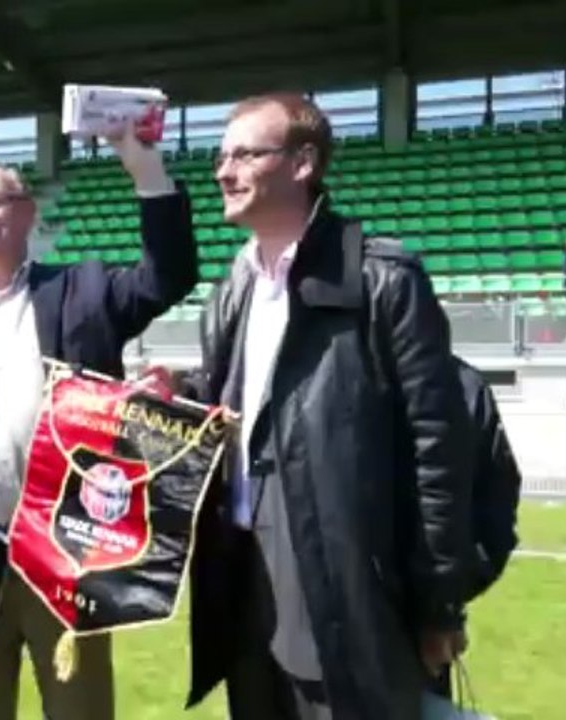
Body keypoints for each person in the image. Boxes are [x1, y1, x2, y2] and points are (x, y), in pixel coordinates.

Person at [0, 125, 198, 720]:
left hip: (68, 556)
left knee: (80, 712)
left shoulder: (85, 289)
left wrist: (146, 170)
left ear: (26, 213)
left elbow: (169, 275)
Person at [173, 93, 476, 719]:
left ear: (303, 162)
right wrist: (178, 397)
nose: (223, 172)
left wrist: (440, 601)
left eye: (244, 155)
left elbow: (438, 450)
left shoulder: (384, 279)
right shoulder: (231, 289)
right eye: (220, 157)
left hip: (348, 592)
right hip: (242, 575)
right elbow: (243, 412)